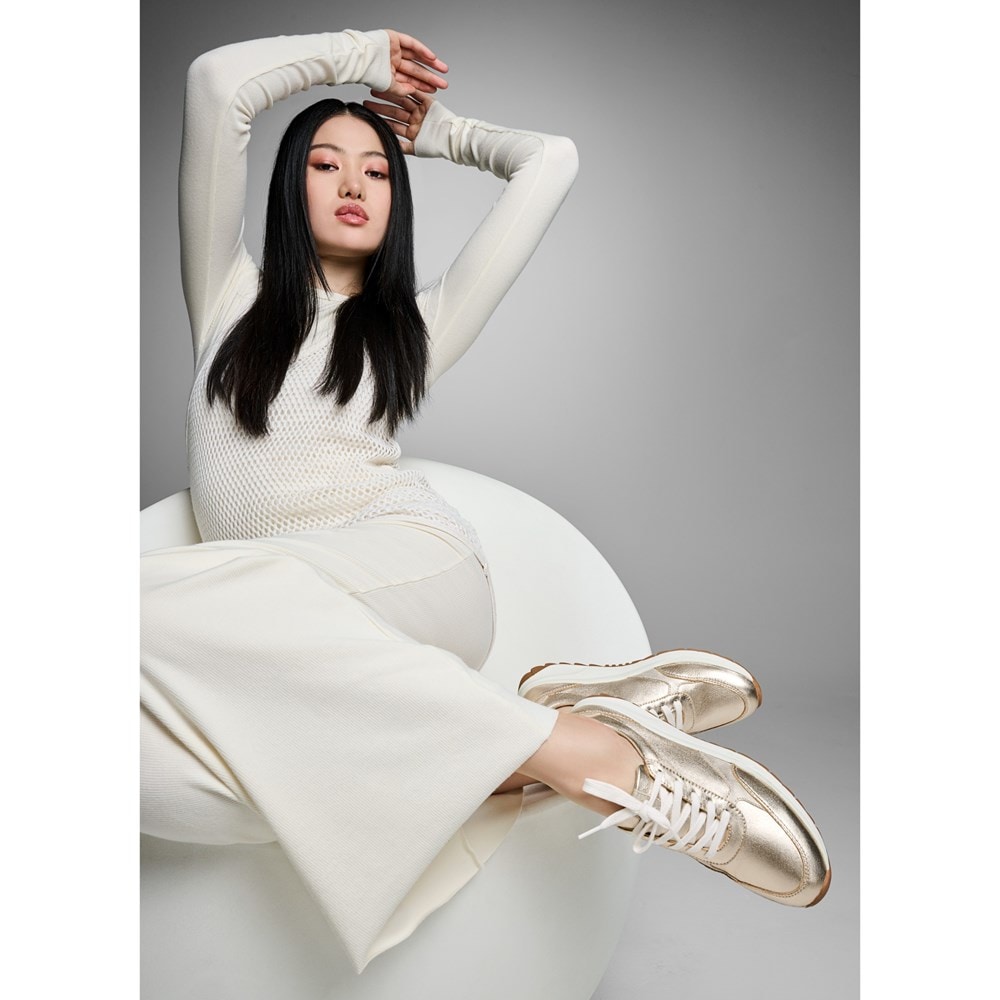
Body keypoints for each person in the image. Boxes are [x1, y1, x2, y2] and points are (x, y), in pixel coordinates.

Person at [140, 26, 830, 974]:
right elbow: (219, 85)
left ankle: (606, 764)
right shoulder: (229, 301)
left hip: (410, 570)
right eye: (325, 165)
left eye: (377, 171)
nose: (352, 185)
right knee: (153, 776)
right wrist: (356, 56)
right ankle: (562, 741)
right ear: (287, 188)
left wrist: (443, 133)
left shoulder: (410, 328)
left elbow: (551, 161)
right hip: (293, 632)